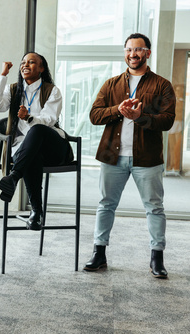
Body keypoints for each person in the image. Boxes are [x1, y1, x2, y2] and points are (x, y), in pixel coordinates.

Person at [83, 33, 175, 279]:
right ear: (125, 52)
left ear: (148, 53)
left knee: (154, 207)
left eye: (138, 50)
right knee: (106, 205)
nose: (132, 54)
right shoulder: (111, 84)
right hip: (112, 157)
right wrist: (118, 110)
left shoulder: (162, 85)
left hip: (147, 158)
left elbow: (167, 121)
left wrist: (140, 118)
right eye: (128, 50)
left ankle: (157, 257)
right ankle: (99, 253)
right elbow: (94, 115)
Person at [0, 52, 73, 230]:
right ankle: (36, 213)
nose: (25, 65)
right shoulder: (13, 90)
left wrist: (29, 118)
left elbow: (49, 120)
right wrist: (2, 75)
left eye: (32, 62)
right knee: (32, 155)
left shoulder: (52, 90)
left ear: (41, 68)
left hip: (53, 148)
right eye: (23, 62)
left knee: (37, 129)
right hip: (27, 153)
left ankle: (14, 177)